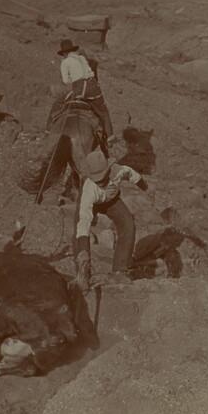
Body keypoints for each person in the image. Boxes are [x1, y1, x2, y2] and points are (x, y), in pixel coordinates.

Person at [74, 150, 140, 287]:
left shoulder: (119, 171)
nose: (101, 182)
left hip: (110, 201)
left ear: (109, 170)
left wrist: (146, 188)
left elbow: (134, 175)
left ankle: (119, 271)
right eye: (97, 180)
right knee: (79, 232)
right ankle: (83, 274)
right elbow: (84, 222)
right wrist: (84, 252)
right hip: (93, 203)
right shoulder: (88, 191)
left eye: (103, 178)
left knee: (128, 224)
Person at [53, 38, 115, 144]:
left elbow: (66, 81)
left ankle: (50, 130)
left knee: (59, 105)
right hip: (93, 87)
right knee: (104, 113)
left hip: (79, 89)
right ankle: (109, 138)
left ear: (64, 53)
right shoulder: (82, 58)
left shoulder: (65, 62)